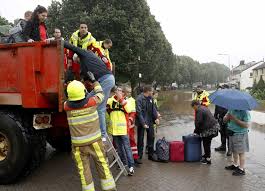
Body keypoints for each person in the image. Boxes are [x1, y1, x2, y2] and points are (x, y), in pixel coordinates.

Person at [64, 73, 116, 191]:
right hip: (95, 143)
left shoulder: (67, 107)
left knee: (84, 170)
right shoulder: (92, 103)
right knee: (102, 164)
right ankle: (109, 188)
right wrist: (94, 81)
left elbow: (66, 97)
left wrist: (67, 84)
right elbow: (101, 93)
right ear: (84, 92)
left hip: (78, 146)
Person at [64, 41, 115, 140]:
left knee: (97, 105)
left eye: (77, 62)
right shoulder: (88, 62)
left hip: (105, 80)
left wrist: (60, 42)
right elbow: (85, 77)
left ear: (78, 57)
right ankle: (100, 131)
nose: (78, 63)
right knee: (91, 101)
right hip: (107, 79)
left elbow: (72, 47)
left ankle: (103, 135)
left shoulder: (85, 53)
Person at [106, 87, 135, 175]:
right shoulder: (110, 100)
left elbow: (129, 110)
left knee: (127, 148)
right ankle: (123, 163)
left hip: (123, 130)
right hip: (114, 130)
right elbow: (107, 110)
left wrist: (121, 99)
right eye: (117, 90)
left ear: (123, 92)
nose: (118, 92)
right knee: (119, 148)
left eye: (120, 91)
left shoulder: (127, 101)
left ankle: (131, 167)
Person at [191, 100, 219, 164]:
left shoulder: (199, 110)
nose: (193, 109)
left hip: (210, 129)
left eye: (193, 107)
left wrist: (195, 132)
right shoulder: (203, 107)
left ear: (195, 105)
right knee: (207, 142)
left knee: (206, 143)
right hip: (214, 126)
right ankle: (206, 155)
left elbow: (199, 122)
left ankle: (208, 159)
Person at [223, 109, 251, 176]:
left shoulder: (245, 112)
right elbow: (224, 120)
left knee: (241, 152)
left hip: (240, 134)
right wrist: (226, 117)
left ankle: (241, 169)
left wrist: (235, 119)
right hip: (231, 132)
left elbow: (246, 125)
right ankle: (235, 165)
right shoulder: (231, 109)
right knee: (234, 150)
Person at [136, 85, 160, 161]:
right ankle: (139, 156)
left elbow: (153, 109)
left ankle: (151, 154)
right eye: (152, 91)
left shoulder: (150, 98)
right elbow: (138, 112)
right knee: (140, 138)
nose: (152, 92)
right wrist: (143, 123)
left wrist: (156, 118)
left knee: (151, 137)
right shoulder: (139, 99)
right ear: (148, 91)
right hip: (141, 122)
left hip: (149, 121)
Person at [122, 85, 141, 165]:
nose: (129, 93)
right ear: (124, 92)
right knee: (120, 143)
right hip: (121, 125)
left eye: (130, 92)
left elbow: (133, 112)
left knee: (132, 140)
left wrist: (130, 120)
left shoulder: (132, 100)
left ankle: (135, 157)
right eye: (128, 92)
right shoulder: (118, 99)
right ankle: (121, 158)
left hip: (130, 125)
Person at [214, 85, 232, 156]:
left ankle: (230, 150)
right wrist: (215, 117)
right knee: (222, 133)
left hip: (228, 119)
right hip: (220, 119)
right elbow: (216, 108)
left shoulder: (230, 99)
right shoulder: (219, 98)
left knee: (228, 135)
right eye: (222, 89)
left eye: (224, 89)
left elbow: (232, 110)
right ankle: (223, 146)